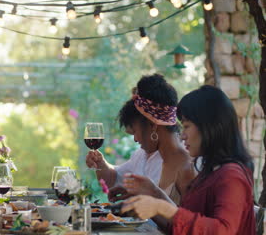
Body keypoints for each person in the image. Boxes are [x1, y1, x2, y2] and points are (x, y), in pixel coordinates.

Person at [121, 85, 255, 234]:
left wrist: (162, 208)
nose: (182, 135)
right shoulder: (210, 173)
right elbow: (184, 227)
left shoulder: (232, 176)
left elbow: (223, 230)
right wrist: (152, 194)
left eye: (186, 126)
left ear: (209, 126)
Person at [86, 74, 195, 204]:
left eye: (135, 132)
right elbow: (114, 179)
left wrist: (146, 198)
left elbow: (186, 221)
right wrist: (101, 164)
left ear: (153, 125)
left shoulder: (188, 164)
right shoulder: (142, 155)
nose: (135, 140)